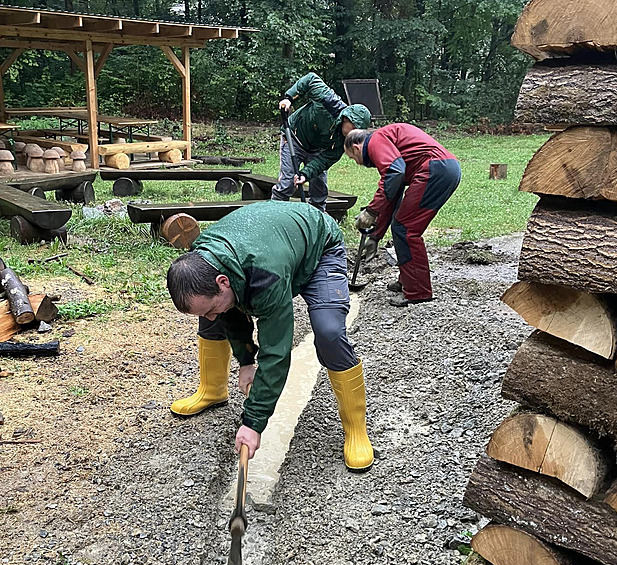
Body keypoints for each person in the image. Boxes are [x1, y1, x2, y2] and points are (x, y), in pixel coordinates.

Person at [166, 200, 374, 472]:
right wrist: (246, 362)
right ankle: (212, 391)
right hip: (270, 245)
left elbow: (276, 353)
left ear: (222, 281)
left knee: (329, 331)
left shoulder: (265, 276)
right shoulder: (201, 260)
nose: (211, 315)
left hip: (318, 247)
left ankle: (356, 429)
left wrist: (253, 423)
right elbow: (228, 311)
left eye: (213, 306)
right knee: (213, 318)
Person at [344, 124, 461, 307]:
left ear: (356, 147)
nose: (357, 162)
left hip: (435, 169)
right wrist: (375, 236)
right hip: (443, 169)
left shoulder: (376, 140)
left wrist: (371, 211)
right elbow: (393, 193)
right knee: (403, 225)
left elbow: (394, 173)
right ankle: (408, 281)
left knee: (405, 229)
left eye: (353, 157)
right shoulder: (385, 141)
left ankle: (417, 292)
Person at [272, 72, 372, 212]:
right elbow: (311, 79)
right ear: (346, 119)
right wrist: (289, 98)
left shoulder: (345, 142)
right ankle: (274, 214)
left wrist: (305, 174)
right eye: (354, 128)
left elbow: (324, 160)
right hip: (293, 137)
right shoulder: (330, 102)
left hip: (317, 149)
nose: (353, 134)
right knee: (287, 183)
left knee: (319, 189)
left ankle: (318, 222)